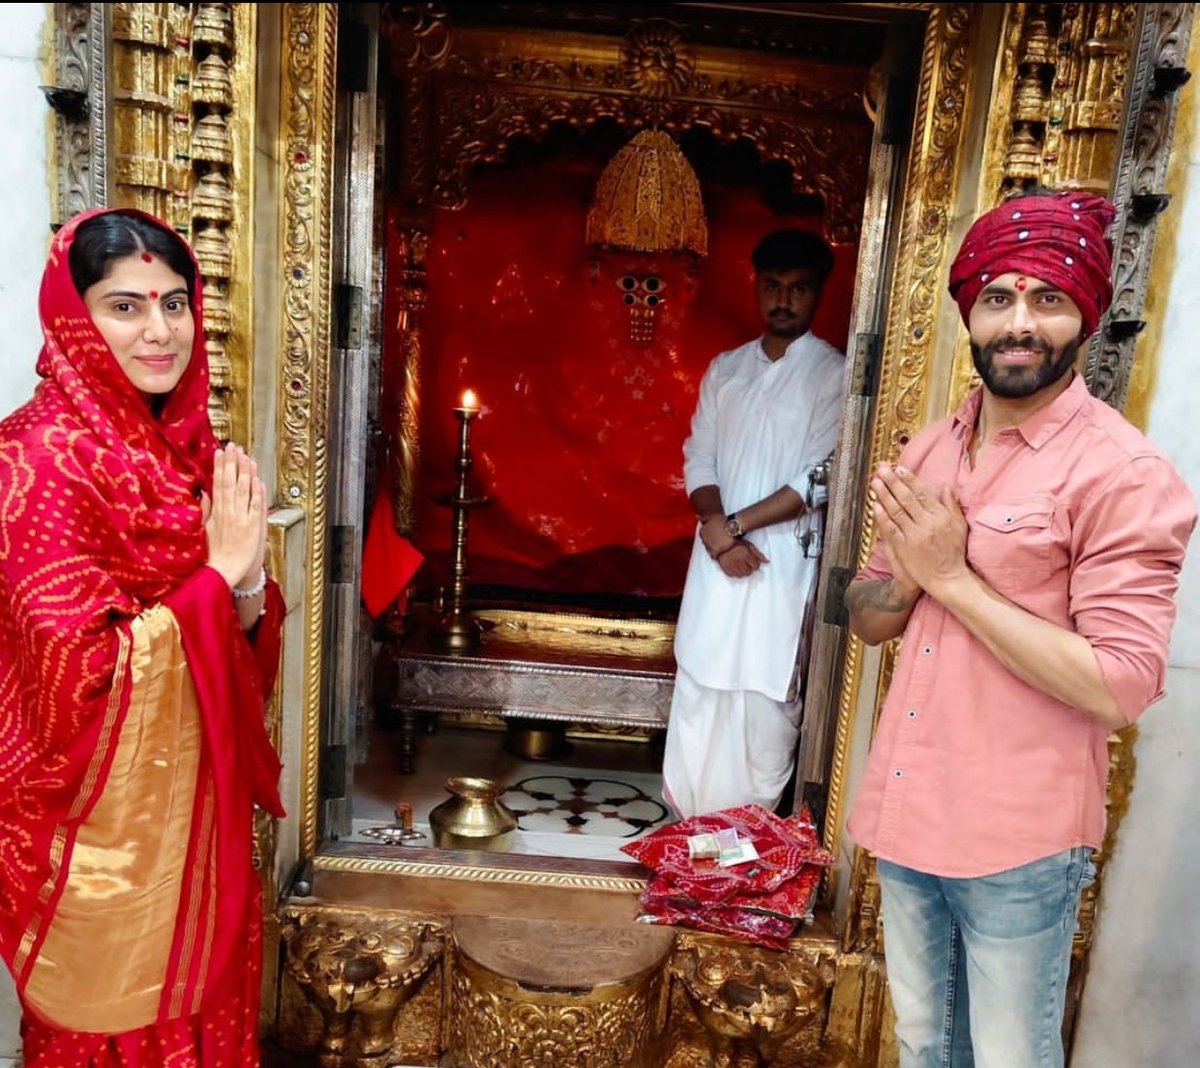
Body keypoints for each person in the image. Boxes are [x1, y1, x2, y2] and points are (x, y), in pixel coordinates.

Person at [845, 190, 1196, 1068]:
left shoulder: (1121, 474)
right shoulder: (931, 449)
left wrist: (955, 578)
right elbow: (870, 613)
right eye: (998, 298)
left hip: (1016, 840)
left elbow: (1121, 685)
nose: (1020, 323)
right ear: (969, 311)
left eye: (1047, 299)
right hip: (906, 813)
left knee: (1007, 1059)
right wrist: (902, 581)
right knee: (926, 1048)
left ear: (1083, 315)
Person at [0, 207, 286, 1066]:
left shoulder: (184, 452)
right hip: (100, 845)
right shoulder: (36, 458)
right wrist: (216, 574)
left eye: (174, 302)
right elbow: (75, 680)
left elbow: (232, 652)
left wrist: (241, 589)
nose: (160, 332)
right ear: (71, 317)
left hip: (199, 828)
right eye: (124, 306)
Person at [661, 228, 846, 819]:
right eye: (772, 286)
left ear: (818, 295)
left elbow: (817, 477)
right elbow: (700, 457)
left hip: (782, 566)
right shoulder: (726, 369)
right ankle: (687, 843)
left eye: (798, 288)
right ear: (755, 287)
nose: (783, 299)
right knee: (702, 689)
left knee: (765, 706)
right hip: (719, 561)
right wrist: (717, 530)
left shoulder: (833, 374)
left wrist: (733, 528)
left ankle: (744, 851)